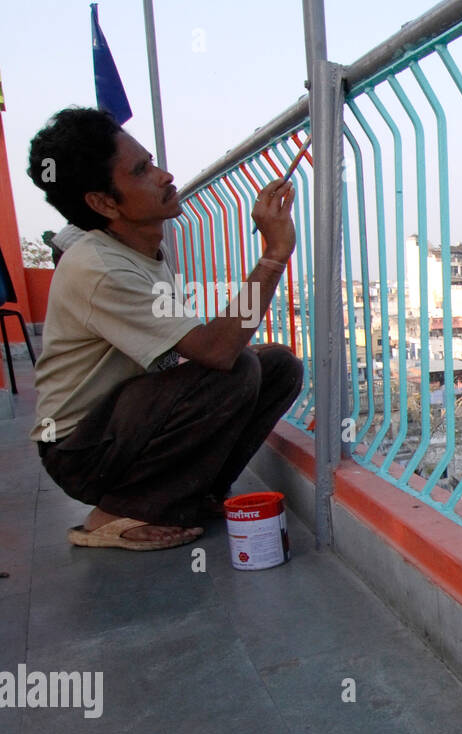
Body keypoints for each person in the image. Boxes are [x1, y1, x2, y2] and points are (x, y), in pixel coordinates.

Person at [26, 107, 303, 551]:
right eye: (141, 171)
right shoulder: (100, 266)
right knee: (237, 369)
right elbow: (217, 351)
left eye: (151, 161)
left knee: (277, 366)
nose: (165, 175)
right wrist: (274, 253)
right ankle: (111, 514)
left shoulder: (141, 246)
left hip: (120, 425)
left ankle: (194, 495)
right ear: (103, 202)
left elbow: (197, 350)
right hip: (81, 449)